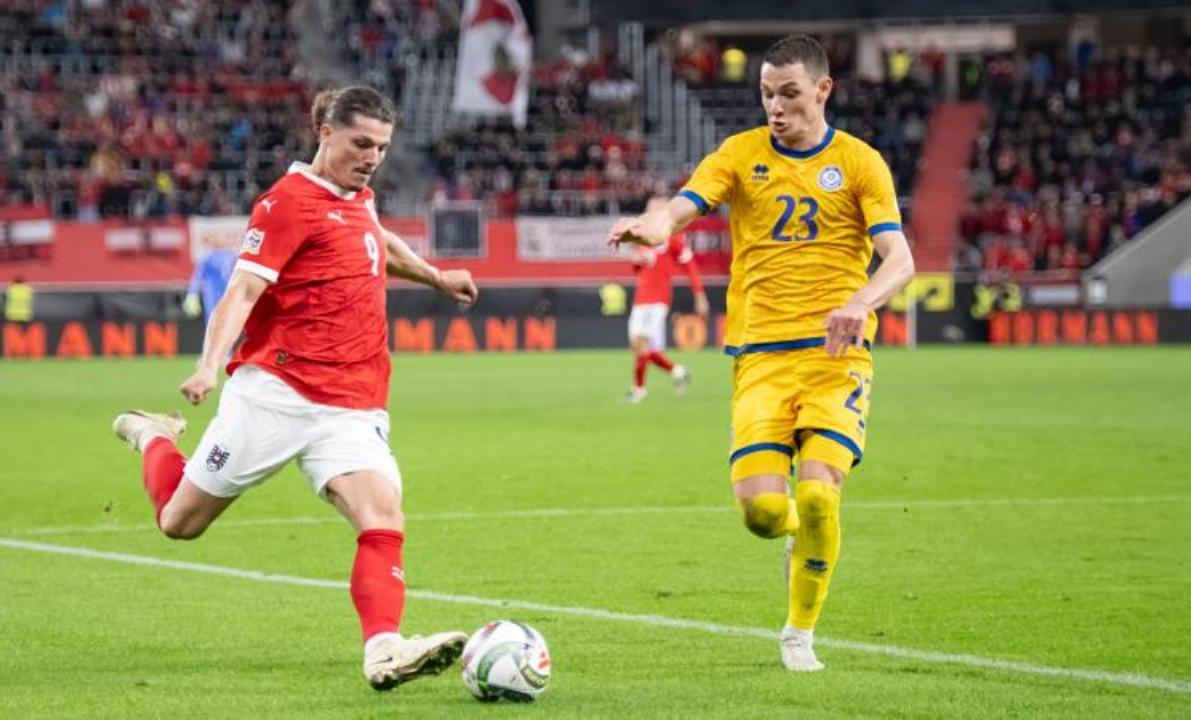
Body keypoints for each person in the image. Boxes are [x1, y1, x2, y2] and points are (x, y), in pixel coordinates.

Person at [111, 86, 480, 691]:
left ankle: (384, 649)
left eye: (382, 147)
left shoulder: (358, 198)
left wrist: (435, 276)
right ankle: (154, 436)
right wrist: (209, 366)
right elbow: (242, 292)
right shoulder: (286, 203)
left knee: (382, 515)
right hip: (275, 394)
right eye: (361, 143)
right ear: (325, 132)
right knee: (179, 522)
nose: (372, 157)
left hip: (352, 402)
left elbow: (376, 239)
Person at [608, 35, 915, 672]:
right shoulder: (740, 154)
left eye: (789, 94)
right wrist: (653, 227)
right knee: (763, 512)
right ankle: (799, 535)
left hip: (836, 358)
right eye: (767, 94)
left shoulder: (860, 163)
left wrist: (860, 301)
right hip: (761, 359)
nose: (776, 107)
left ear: (823, 90)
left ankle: (799, 634)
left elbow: (901, 260)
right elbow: (683, 207)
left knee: (822, 494)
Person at [623, 196, 709, 404]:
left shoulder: (673, 237)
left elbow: (690, 266)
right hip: (641, 298)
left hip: (658, 299)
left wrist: (699, 295)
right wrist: (635, 261)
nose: (650, 212)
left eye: (655, 208)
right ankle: (678, 371)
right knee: (636, 345)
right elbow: (639, 268)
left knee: (642, 343)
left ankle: (639, 390)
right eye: (649, 208)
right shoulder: (643, 237)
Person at [183, 246, 236, 324]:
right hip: (214, 299)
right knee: (214, 321)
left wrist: (192, 293)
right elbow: (198, 277)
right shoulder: (208, 258)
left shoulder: (232, 257)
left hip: (229, 299)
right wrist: (192, 294)